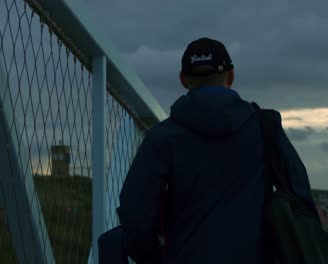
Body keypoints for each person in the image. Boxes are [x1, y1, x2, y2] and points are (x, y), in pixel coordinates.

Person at [116, 37, 316, 264]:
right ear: (230, 76)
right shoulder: (264, 128)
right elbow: (301, 198)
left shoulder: (163, 137)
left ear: (183, 79)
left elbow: (135, 213)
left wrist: (154, 257)